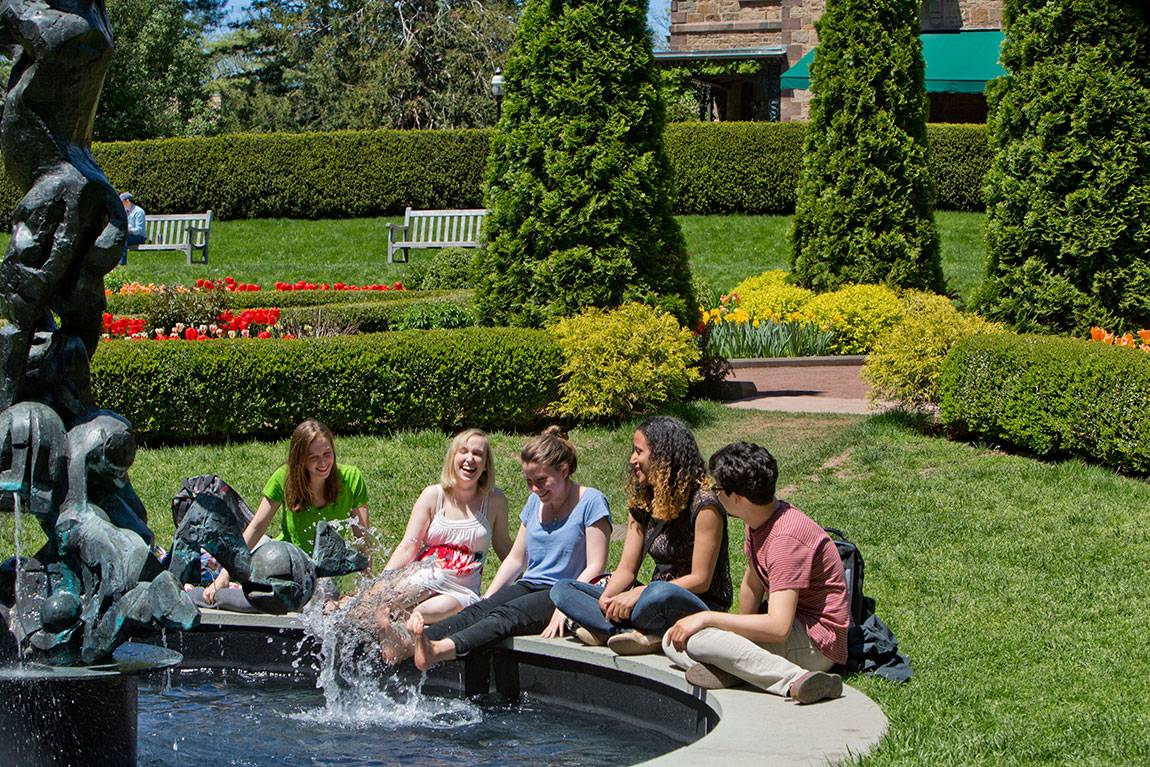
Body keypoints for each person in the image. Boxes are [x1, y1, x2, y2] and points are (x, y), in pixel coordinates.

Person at [408, 427, 611, 671]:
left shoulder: (591, 501)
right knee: (480, 609)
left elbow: (596, 566)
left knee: (507, 615)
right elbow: (516, 559)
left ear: (564, 471)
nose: (535, 489)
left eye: (542, 481)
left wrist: (566, 607)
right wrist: (486, 597)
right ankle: (416, 643)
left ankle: (440, 650)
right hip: (530, 584)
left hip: (562, 590)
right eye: (529, 482)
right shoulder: (535, 501)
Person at [663, 442, 848, 704]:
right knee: (671, 641)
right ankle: (739, 669)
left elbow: (778, 627)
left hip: (817, 644)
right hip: (793, 632)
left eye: (717, 489)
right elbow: (752, 584)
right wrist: (735, 637)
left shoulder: (785, 538)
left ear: (736, 497)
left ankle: (795, 680)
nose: (714, 495)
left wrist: (709, 619)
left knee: (696, 641)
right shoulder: (761, 520)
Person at [550, 415, 731, 656]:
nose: (632, 459)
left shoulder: (704, 505)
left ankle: (616, 630)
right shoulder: (642, 502)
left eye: (639, 451)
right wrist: (608, 598)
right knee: (563, 590)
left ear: (663, 456)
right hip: (649, 601)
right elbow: (626, 569)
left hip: (692, 602)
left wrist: (638, 594)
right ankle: (634, 632)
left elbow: (701, 579)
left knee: (658, 593)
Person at [339, 429, 512, 662]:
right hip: (425, 576)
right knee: (371, 604)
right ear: (452, 458)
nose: (470, 459)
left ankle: (396, 643)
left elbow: (505, 548)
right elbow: (408, 547)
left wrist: (528, 580)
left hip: (460, 591)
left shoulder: (494, 501)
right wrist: (382, 581)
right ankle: (374, 631)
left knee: (417, 615)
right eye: (464, 451)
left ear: (486, 465)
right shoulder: (433, 496)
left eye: (477, 454)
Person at [203, 419, 370, 604]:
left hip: (322, 572)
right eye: (313, 457)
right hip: (284, 562)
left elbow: (362, 539)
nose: (323, 462)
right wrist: (225, 574)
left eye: (327, 454)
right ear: (300, 458)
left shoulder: (352, 479)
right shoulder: (284, 478)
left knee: (323, 600)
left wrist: (367, 587)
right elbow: (257, 527)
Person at [119, 192, 146, 265]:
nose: (120, 204)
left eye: (122, 202)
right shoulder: (124, 211)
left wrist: (128, 230)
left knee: (123, 238)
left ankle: (122, 262)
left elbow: (139, 230)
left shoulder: (139, 212)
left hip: (139, 237)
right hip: (128, 235)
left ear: (127, 201)